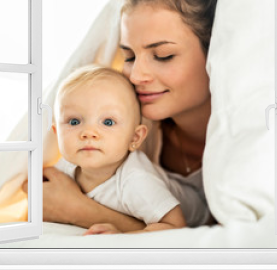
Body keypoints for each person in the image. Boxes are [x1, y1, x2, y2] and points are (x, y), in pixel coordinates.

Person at [24, 0, 220, 234]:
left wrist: (79, 210)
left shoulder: (250, 136)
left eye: (163, 55)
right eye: (128, 56)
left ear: (216, 53)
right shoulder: (124, 117)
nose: (136, 75)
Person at [51, 64, 186, 234]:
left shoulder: (136, 181)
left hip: (199, 208)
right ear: (57, 133)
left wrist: (122, 237)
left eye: (108, 122)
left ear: (134, 138)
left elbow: (176, 227)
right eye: (74, 122)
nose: (88, 133)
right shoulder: (66, 167)